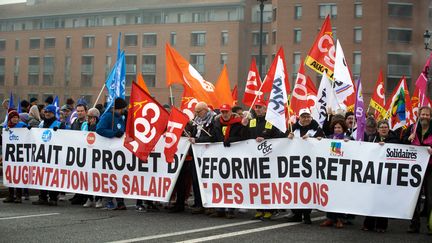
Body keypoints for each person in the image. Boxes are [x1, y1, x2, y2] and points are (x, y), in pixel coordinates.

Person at [241, 98, 283, 220]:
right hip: (255, 158)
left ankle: (270, 209)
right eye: (256, 107)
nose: (258, 109)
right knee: (257, 184)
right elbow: (246, 136)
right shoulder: (252, 121)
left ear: (266, 109)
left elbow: (280, 137)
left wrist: (265, 139)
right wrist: (243, 126)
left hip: (269, 158)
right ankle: (260, 209)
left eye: (260, 107)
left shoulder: (271, 122)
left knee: (268, 184)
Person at [287, 108, 325, 224]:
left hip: (310, 165)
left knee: (308, 189)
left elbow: (323, 141)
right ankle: (297, 214)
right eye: (303, 116)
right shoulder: (293, 128)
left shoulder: (317, 128)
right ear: (300, 118)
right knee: (295, 188)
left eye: (308, 116)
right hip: (294, 164)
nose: (306, 119)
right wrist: (287, 137)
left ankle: (307, 215)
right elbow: (284, 141)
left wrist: (316, 139)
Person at [361, 120, 399, 233]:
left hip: (387, 173)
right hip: (374, 172)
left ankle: (382, 225)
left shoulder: (395, 139)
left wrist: (386, 146)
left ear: (389, 128)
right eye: (381, 127)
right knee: (372, 197)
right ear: (377, 129)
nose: (383, 129)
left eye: (385, 127)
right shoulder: (372, 138)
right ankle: (368, 224)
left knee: (383, 199)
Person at [210, 103, 244, 219]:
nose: (224, 114)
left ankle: (231, 209)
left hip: (234, 158)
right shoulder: (217, 123)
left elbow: (243, 137)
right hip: (220, 157)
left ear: (231, 112)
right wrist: (197, 140)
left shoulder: (238, 123)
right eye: (222, 112)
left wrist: (230, 140)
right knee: (220, 183)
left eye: (226, 112)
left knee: (232, 183)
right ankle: (220, 209)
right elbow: (213, 138)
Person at [403, 106, 432, 234]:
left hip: (430, 168)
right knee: (414, 196)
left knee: (430, 197)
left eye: (427, 114)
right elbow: (401, 144)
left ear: (430, 117)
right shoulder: (412, 128)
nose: (424, 116)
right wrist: (408, 139)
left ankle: (430, 225)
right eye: (423, 114)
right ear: (418, 116)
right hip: (415, 169)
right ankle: (414, 224)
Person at [96, 97, 127, 210]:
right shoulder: (108, 116)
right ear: (119, 108)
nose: (125, 110)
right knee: (109, 176)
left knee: (119, 177)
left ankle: (120, 201)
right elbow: (99, 129)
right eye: (124, 108)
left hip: (119, 152)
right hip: (108, 152)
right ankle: (108, 201)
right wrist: (114, 133)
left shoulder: (121, 117)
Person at [32, 105, 66, 206]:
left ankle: (53, 198)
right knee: (42, 176)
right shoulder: (41, 124)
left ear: (53, 113)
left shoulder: (60, 124)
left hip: (54, 155)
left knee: (53, 177)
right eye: (46, 112)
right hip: (42, 154)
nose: (47, 114)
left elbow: (67, 139)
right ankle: (42, 197)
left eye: (49, 112)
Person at [320, 119, 350, 228]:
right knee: (330, 194)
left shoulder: (348, 139)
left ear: (343, 129)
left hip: (342, 172)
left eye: (339, 128)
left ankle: (339, 219)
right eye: (335, 128)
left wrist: (349, 144)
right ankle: (330, 218)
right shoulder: (328, 138)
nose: (337, 129)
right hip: (330, 171)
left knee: (339, 195)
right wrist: (319, 141)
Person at [3, 110, 27, 203]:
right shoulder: (6, 127)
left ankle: (18, 196)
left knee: (18, 175)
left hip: (20, 154)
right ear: (10, 119)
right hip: (10, 155)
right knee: (10, 175)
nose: (15, 119)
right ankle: (10, 195)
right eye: (13, 117)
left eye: (17, 117)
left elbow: (30, 133)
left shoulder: (22, 125)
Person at [80, 108, 103, 208]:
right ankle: (89, 198)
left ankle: (98, 199)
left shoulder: (98, 126)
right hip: (87, 154)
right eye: (88, 117)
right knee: (87, 177)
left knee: (97, 177)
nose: (89, 119)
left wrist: (93, 126)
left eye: (92, 117)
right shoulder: (85, 125)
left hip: (97, 155)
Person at [68, 103, 89, 205]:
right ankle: (78, 194)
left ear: (86, 112)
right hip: (76, 152)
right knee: (77, 175)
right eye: (78, 111)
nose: (80, 113)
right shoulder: (74, 122)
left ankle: (84, 196)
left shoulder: (88, 123)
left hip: (86, 152)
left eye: (81, 111)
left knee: (85, 175)